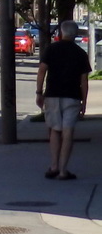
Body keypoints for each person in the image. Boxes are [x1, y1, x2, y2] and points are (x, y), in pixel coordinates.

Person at [36, 20, 90, 180]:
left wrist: (39, 92)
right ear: (76, 34)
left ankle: (54, 166)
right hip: (72, 96)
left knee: (54, 130)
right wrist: (84, 102)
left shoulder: (51, 49)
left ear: (61, 32)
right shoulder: (81, 53)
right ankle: (63, 171)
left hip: (52, 94)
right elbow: (84, 81)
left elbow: (41, 71)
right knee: (68, 132)